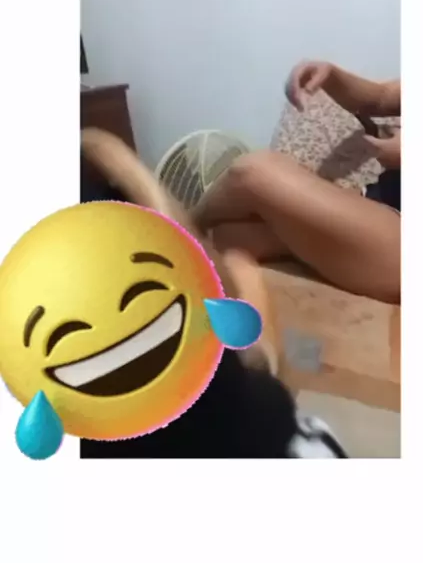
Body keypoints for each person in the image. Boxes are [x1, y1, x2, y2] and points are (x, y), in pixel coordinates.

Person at [80, 128, 348, 459]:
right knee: (246, 199)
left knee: (244, 211)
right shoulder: (290, 438)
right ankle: (216, 236)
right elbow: (258, 357)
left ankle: (220, 235)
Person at [193, 61, 401, 305]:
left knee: (253, 173)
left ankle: (175, 226)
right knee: (231, 235)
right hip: (377, 207)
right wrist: (331, 76)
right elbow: (381, 97)